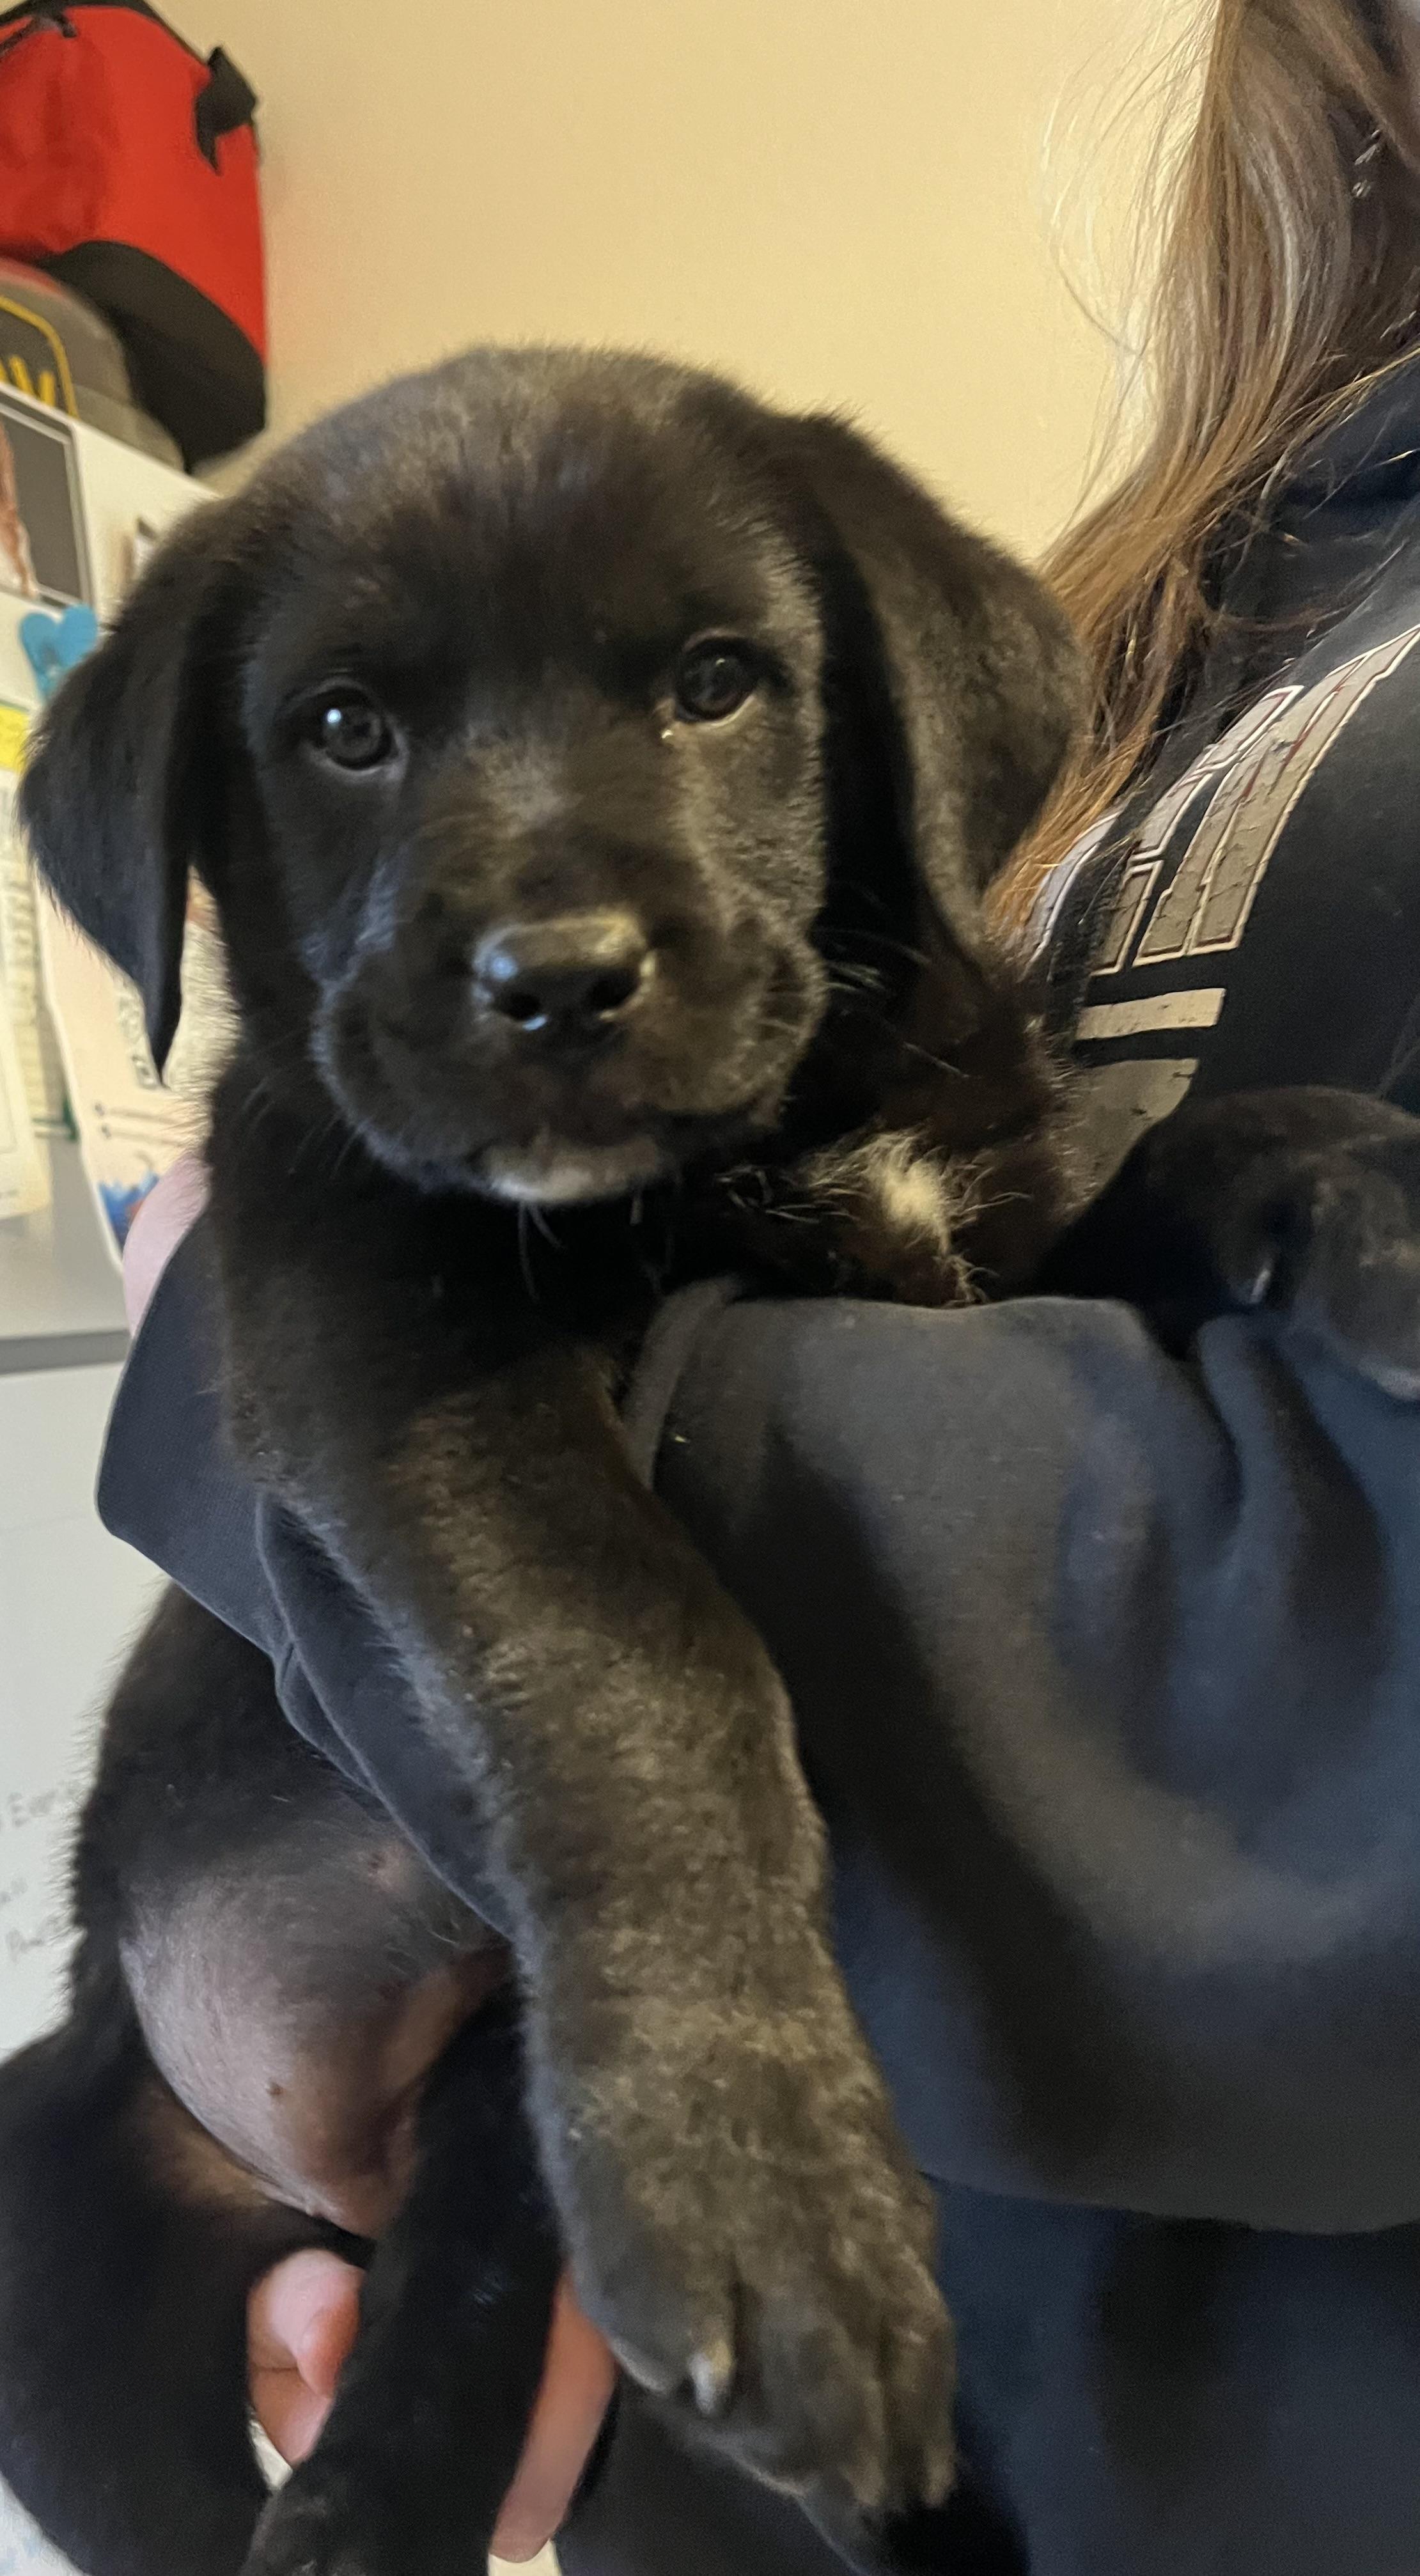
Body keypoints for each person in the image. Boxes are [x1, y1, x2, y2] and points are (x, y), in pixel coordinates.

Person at [105, 0, 1420, 2566]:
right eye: (353, 726)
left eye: (708, 687)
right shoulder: (1248, 552)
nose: (552, 895)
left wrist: (231, 1351)